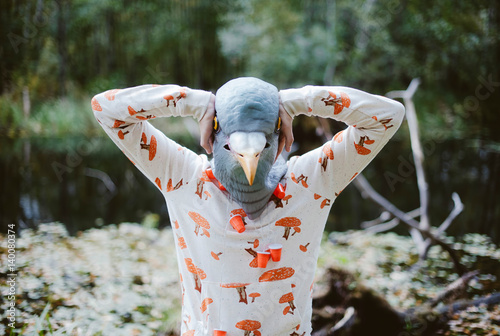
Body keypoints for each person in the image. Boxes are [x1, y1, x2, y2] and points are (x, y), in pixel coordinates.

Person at [91, 77, 405, 336]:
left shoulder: (310, 181)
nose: (249, 161)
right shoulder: (185, 178)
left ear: (280, 137)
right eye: (233, 144)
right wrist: (197, 104)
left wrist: (294, 102)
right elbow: (105, 108)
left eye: (262, 143)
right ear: (215, 138)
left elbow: (389, 115)